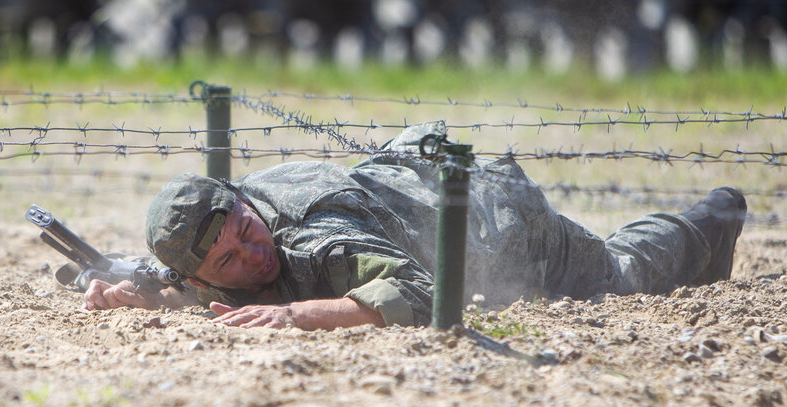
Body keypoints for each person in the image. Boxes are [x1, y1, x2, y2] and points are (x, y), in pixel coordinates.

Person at [82, 122, 747, 330]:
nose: (250, 252)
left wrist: (298, 317)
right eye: (225, 261)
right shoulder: (235, 214)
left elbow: (424, 293)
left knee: (621, 273)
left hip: (500, 224)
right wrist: (158, 295)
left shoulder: (317, 236)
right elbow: (198, 279)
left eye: (245, 231)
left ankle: (711, 217)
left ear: (241, 203)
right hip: (440, 196)